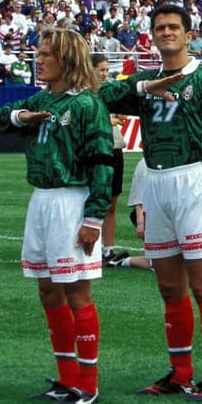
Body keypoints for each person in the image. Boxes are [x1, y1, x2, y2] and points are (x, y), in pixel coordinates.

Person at [99, 3, 202, 402]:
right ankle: (180, 373)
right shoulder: (145, 81)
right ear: (152, 34)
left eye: (174, 27)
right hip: (155, 182)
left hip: (192, 180)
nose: (167, 33)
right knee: (167, 284)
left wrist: (198, 167)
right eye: (160, 27)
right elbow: (102, 95)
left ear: (188, 34)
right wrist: (142, 87)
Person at [0, 28, 115, 404]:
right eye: (39, 53)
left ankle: (88, 383)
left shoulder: (86, 105)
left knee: (77, 292)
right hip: (41, 200)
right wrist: (20, 116)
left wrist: (94, 218)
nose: (39, 60)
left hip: (70, 201)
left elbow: (102, 164)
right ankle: (65, 377)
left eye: (47, 54)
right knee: (48, 290)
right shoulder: (44, 99)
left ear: (68, 59)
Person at [92, 54, 130, 265]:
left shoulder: (111, 91)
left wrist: (119, 115)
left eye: (107, 69)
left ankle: (108, 250)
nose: (105, 73)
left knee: (112, 203)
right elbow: (90, 118)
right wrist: (111, 119)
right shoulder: (84, 92)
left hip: (114, 147)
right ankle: (91, 247)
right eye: (101, 69)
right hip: (95, 151)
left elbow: (120, 115)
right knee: (94, 201)